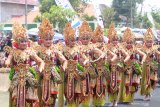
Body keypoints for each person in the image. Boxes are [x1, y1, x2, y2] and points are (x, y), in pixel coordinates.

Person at [4, 22, 44, 107]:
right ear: (17, 42)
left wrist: (40, 70)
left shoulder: (30, 51)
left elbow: (40, 61)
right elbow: (8, 60)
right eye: (22, 41)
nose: (25, 43)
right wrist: (7, 63)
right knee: (14, 96)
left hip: (28, 74)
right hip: (16, 75)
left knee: (31, 97)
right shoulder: (13, 51)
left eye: (26, 41)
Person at [34, 19, 67, 107]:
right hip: (41, 76)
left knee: (52, 97)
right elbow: (33, 60)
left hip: (52, 76)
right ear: (42, 39)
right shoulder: (38, 49)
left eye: (50, 39)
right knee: (40, 97)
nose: (48, 41)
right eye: (46, 39)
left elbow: (64, 60)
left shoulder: (55, 49)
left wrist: (63, 67)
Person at [91, 25, 117, 107]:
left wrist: (111, 61)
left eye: (101, 41)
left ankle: (102, 103)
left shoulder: (106, 49)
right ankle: (95, 104)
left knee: (104, 86)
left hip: (104, 70)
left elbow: (114, 56)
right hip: (95, 71)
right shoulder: (93, 49)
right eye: (98, 41)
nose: (100, 43)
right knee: (94, 87)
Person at [62, 22, 86, 107]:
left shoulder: (78, 48)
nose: (73, 42)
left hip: (76, 72)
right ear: (67, 40)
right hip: (66, 73)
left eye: (74, 40)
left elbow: (83, 58)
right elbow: (60, 60)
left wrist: (85, 62)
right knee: (67, 91)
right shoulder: (63, 49)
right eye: (71, 40)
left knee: (77, 91)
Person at [106, 24, 129, 106]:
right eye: (113, 40)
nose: (115, 41)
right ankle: (111, 100)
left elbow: (127, 56)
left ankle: (115, 101)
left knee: (117, 85)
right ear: (111, 40)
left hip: (118, 69)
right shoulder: (107, 47)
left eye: (116, 40)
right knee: (110, 85)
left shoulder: (120, 48)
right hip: (109, 68)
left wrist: (123, 61)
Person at [122, 28, 146, 104]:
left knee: (133, 84)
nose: (129, 44)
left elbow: (144, 55)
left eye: (130, 42)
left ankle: (130, 99)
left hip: (134, 68)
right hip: (125, 69)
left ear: (133, 42)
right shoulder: (122, 49)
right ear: (125, 42)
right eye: (127, 43)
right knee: (126, 84)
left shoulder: (135, 49)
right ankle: (126, 98)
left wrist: (142, 62)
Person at [140, 28, 160, 101]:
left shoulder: (154, 48)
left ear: (152, 42)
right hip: (145, 66)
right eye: (148, 42)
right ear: (145, 42)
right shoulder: (143, 48)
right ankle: (146, 94)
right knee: (146, 80)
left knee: (152, 80)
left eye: (151, 42)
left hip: (153, 65)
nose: (149, 43)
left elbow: (158, 54)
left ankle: (148, 93)